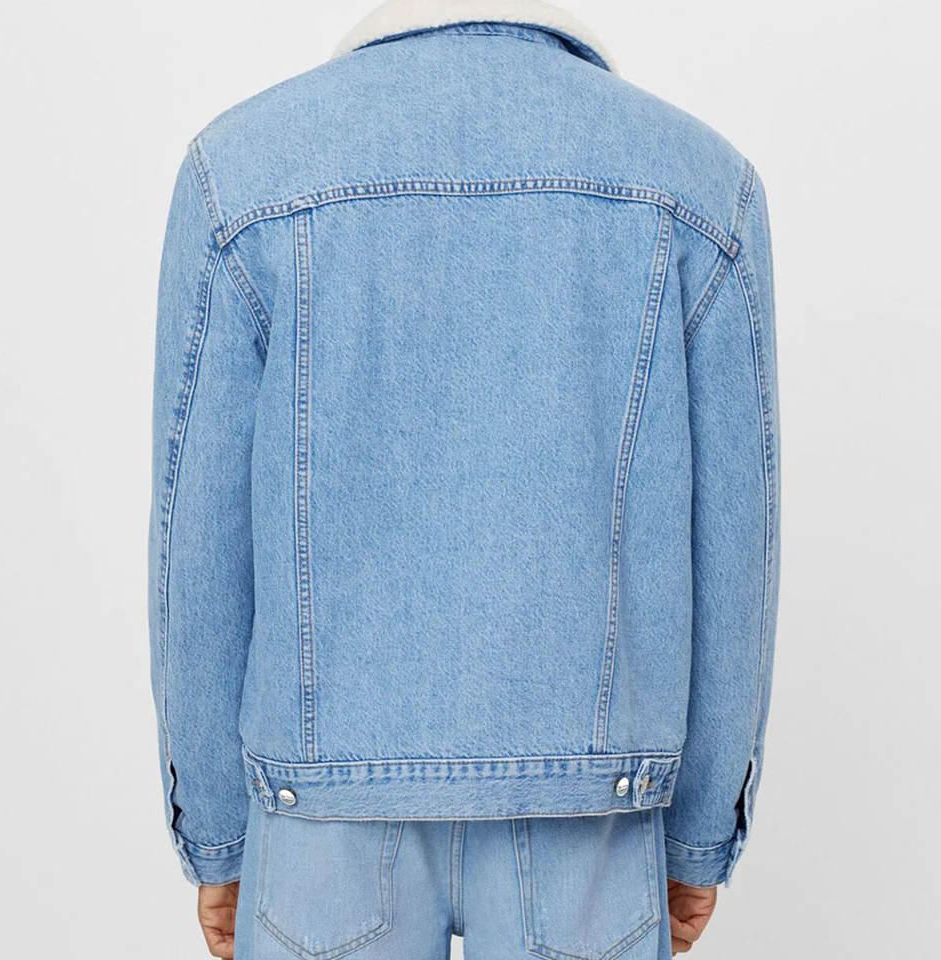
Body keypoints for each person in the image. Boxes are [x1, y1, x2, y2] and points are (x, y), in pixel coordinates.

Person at [147, 2, 779, 957]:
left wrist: (218, 836)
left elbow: (194, 543)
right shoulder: (700, 185)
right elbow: (735, 553)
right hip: (594, 821)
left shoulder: (239, 174)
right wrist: (699, 835)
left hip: (319, 824)